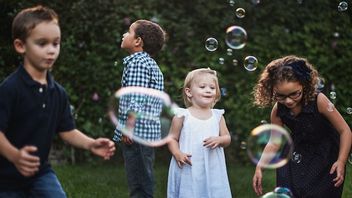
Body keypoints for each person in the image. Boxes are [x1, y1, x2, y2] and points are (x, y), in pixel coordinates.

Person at [0, 5, 115, 197]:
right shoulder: (10, 89)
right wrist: (15, 156)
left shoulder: (57, 93)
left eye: (56, 43)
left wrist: (91, 144)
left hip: (40, 174)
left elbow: (67, 131)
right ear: (20, 46)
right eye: (42, 43)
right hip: (5, 178)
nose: (51, 50)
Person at [251, 55, 352, 197]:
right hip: (296, 154)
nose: (288, 101)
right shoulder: (278, 110)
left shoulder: (319, 100)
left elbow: (345, 131)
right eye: (280, 96)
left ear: (304, 84)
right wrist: (260, 166)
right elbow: (274, 141)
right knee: (291, 191)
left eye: (294, 94)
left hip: (324, 155)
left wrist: (341, 161)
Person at [112, 19, 166, 197]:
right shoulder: (149, 63)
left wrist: (129, 127)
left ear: (138, 41)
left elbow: (136, 97)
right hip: (145, 133)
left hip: (137, 132)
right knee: (144, 177)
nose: (123, 34)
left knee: (139, 183)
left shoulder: (138, 63)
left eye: (128, 32)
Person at [167, 68, 232, 198]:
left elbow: (227, 138)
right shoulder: (182, 115)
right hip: (188, 166)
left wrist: (220, 140)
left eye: (212, 88)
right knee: (189, 192)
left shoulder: (217, 116)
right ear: (189, 92)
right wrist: (177, 153)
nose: (208, 90)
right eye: (202, 87)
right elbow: (172, 138)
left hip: (213, 166)